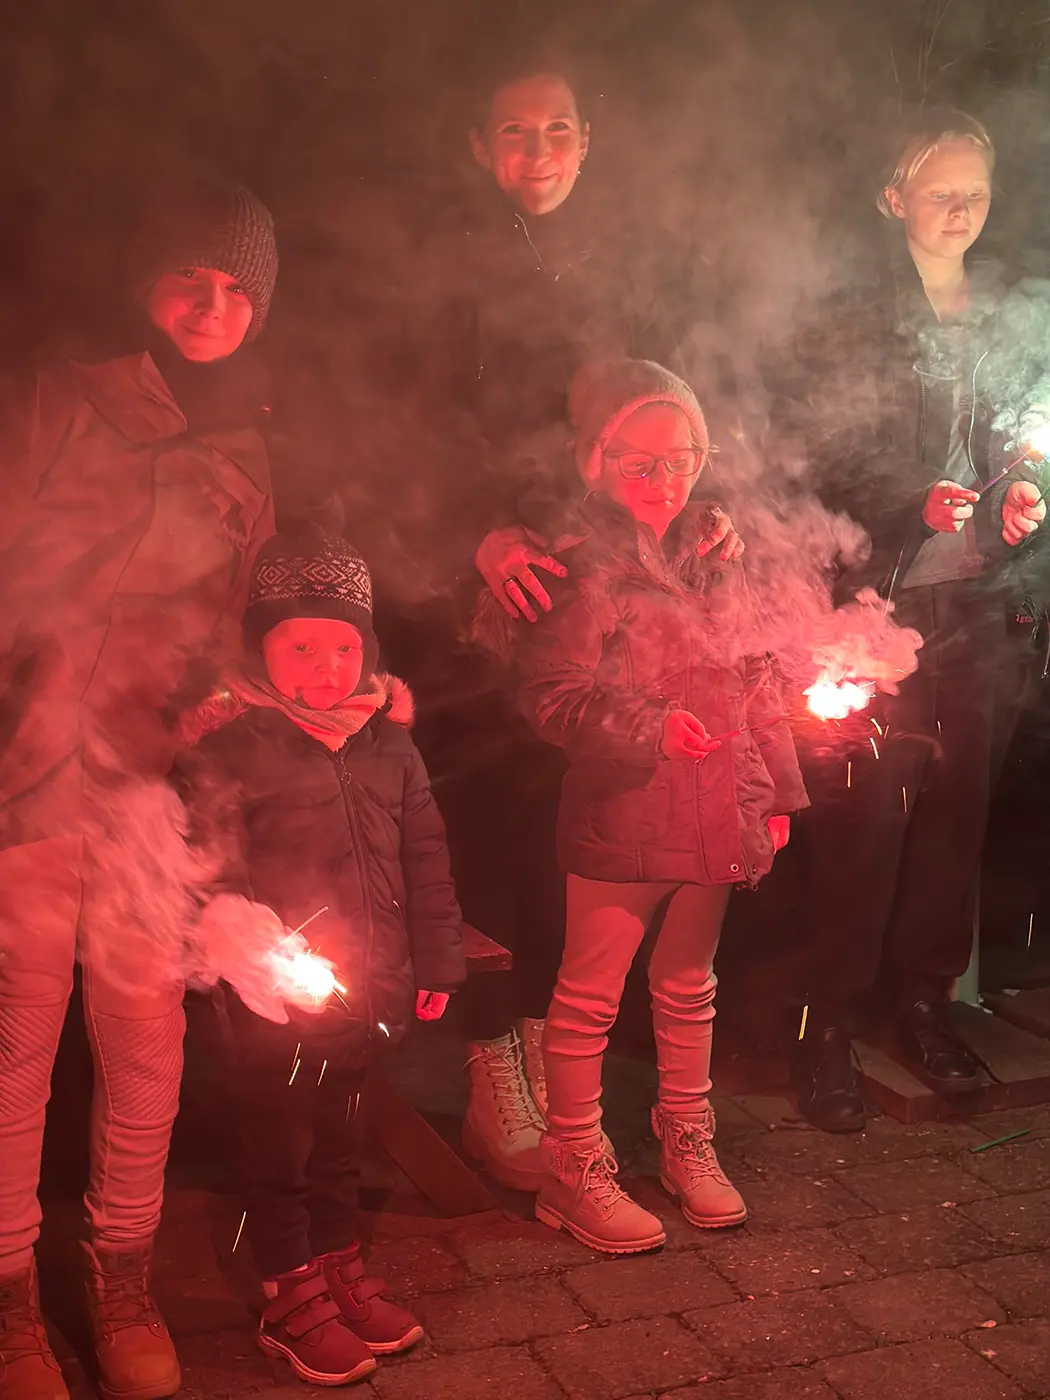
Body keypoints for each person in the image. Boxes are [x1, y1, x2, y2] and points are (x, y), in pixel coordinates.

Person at [412, 54, 743, 1193]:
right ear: (477, 146)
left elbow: (675, 398)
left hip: (615, 571)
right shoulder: (437, 267)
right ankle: (492, 1059)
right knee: (502, 829)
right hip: (506, 589)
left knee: (598, 818)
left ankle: (583, 1072)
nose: (537, 154)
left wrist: (696, 505)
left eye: (557, 132)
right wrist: (482, 534)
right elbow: (407, 436)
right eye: (514, 132)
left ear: (587, 140)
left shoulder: (630, 264)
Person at [0, 182, 278, 1400]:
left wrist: (235, 689)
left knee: (145, 1042)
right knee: (17, 1044)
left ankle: (122, 1274)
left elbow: (238, 620)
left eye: (238, 291)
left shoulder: (253, 446)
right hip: (27, 774)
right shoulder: (60, 394)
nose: (211, 307)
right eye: (188, 278)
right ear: (138, 281)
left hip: (150, 794)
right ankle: (10, 1299)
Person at [473, 358, 806, 1253]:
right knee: (589, 995)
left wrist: (776, 789)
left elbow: (760, 675)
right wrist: (652, 729)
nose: (663, 481)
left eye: (680, 458)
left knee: (689, 985)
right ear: (593, 461)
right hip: (622, 813)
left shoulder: (717, 554)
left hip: (714, 812)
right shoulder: (579, 571)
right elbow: (554, 696)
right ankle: (574, 1165)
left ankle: (684, 1137)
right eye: (638, 462)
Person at [769, 112, 1046, 1131]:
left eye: (977, 190)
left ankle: (922, 1001)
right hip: (878, 604)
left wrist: (1025, 504)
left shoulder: (1013, 314)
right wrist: (905, 506)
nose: (962, 208)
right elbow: (811, 452)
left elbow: (1028, 442)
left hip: (981, 605)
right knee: (864, 821)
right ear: (893, 198)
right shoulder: (851, 318)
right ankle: (826, 1021)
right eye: (940, 191)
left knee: (953, 817)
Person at [174, 524, 465, 1387]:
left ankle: (338, 1262)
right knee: (281, 1147)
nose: (326, 665)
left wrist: (437, 964)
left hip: (366, 990)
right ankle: (288, 1289)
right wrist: (249, 956)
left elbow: (427, 859)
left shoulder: (389, 743)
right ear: (261, 649)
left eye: (344, 645)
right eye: (301, 645)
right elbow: (205, 869)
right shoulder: (235, 746)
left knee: (340, 1139)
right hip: (276, 1005)